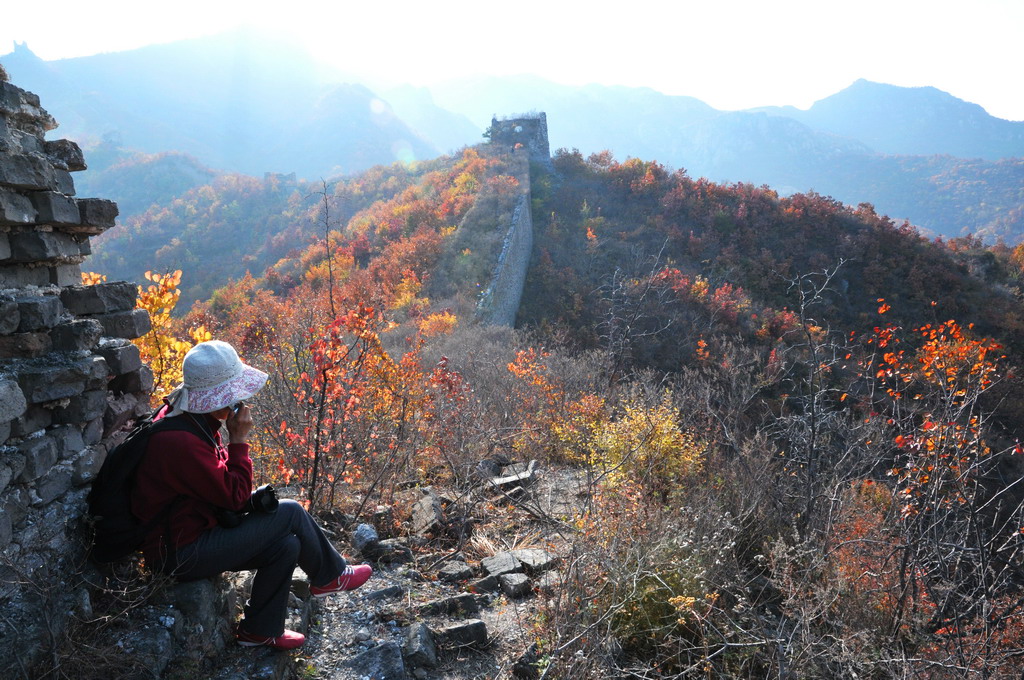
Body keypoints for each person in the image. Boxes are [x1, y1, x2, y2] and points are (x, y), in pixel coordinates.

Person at [131, 340, 371, 650]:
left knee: (288, 544)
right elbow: (233, 497)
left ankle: (259, 630)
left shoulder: (189, 419)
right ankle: (330, 576)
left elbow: (221, 489)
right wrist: (239, 440)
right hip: (179, 555)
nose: (240, 400)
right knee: (290, 512)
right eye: (234, 394)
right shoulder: (181, 442)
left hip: (193, 537)